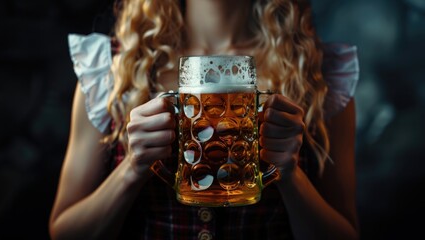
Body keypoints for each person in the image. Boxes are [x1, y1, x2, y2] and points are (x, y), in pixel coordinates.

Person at [49, 0, 360, 239]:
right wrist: (132, 168)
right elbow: (64, 232)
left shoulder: (320, 74)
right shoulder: (110, 68)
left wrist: (290, 175)